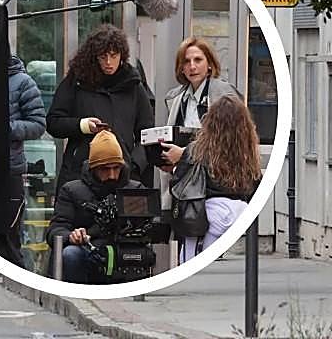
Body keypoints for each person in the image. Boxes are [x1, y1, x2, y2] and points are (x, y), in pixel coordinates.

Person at [47, 24, 153, 192]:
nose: (108, 62)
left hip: (123, 175)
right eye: (103, 57)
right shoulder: (77, 81)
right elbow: (53, 122)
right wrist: (83, 126)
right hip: (81, 175)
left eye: (113, 55)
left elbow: (147, 133)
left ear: (122, 55)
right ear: (94, 57)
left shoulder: (133, 85)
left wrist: (134, 165)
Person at [159, 95, 261, 262]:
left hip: (204, 215)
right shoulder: (249, 151)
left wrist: (175, 166)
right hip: (240, 212)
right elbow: (256, 183)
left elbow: (181, 184)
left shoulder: (197, 150)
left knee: (190, 260)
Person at [0, 32, 47, 269]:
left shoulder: (22, 82)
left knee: (8, 234)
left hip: (10, 167)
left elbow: (38, 124)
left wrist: (5, 128)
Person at [46, 130, 143, 284]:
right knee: (71, 254)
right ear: (93, 168)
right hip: (88, 250)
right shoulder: (71, 190)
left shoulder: (135, 190)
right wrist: (71, 236)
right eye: (105, 169)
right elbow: (55, 229)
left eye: (116, 168)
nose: (112, 175)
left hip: (123, 250)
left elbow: (146, 225)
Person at [162, 37, 241, 136]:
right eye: (186, 62)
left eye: (198, 60)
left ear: (209, 64)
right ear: (181, 68)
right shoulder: (174, 98)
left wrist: (185, 151)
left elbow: (230, 138)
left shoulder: (224, 94)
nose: (192, 67)